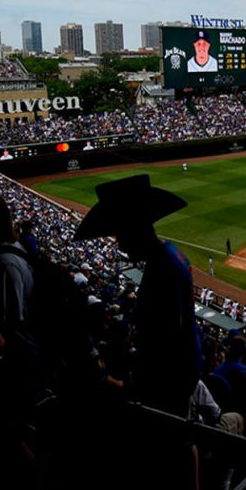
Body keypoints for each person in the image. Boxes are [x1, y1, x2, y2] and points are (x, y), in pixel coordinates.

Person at [73, 174, 199, 417]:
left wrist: (132, 386)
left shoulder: (163, 268)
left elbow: (167, 338)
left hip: (169, 385)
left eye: (120, 236)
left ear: (135, 231)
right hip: (178, 376)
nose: (119, 245)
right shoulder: (169, 255)